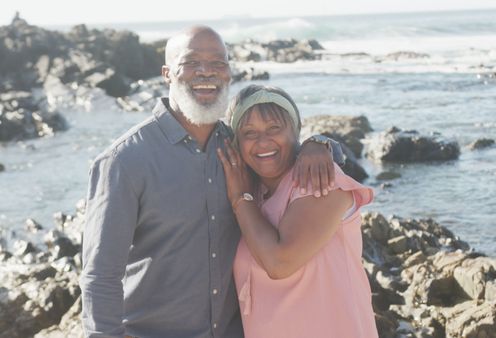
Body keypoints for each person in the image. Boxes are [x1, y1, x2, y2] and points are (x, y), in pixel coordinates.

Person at [80, 26, 342, 338]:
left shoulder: (238, 148)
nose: (206, 73)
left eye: (218, 63)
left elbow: (285, 153)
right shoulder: (125, 161)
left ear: (229, 74)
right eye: (191, 63)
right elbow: (101, 275)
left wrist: (320, 143)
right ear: (167, 73)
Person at [216, 84, 378, 338]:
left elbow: (280, 262)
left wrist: (239, 198)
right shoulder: (253, 191)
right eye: (249, 132)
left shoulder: (320, 179)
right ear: (236, 142)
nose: (263, 141)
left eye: (274, 128)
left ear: (296, 132)